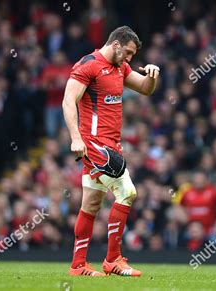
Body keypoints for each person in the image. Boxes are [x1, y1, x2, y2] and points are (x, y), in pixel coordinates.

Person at [63, 26, 160, 276]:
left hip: (112, 144)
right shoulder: (89, 64)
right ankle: (113, 259)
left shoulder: (120, 68)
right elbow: (68, 100)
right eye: (128, 52)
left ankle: (78, 265)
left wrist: (152, 75)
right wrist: (75, 138)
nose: (130, 59)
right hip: (94, 144)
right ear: (116, 44)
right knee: (128, 192)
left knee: (92, 203)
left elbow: (146, 89)